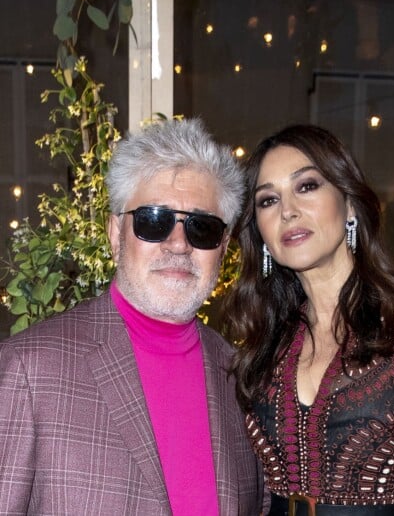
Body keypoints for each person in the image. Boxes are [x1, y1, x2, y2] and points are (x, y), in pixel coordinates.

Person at [224, 124, 394, 515]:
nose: (288, 211)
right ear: (260, 232)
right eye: (268, 201)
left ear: (349, 204)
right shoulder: (266, 342)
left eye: (307, 186)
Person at [0, 118, 266, 515]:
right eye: (153, 221)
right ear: (114, 233)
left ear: (223, 247)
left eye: (202, 228)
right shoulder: (29, 369)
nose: (178, 244)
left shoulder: (241, 379)